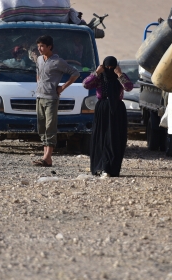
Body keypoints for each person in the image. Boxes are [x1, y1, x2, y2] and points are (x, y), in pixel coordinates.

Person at [82, 56, 133, 177]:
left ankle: (112, 168)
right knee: (101, 137)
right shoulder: (99, 77)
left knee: (114, 138)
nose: (109, 69)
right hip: (102, 109)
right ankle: (99, 166)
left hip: (117, 109)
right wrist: (97, 72)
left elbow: (129, 87)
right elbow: (85, 84)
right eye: (107, 67)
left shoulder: (120, 77)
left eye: (112, 67)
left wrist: (119, 74)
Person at [34, 35, 80, 167]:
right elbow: (38, 73)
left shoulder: (58, 61)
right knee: (41, 127)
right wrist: (39, 83)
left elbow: (75, 73)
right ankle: (45, 157)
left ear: (50, 47)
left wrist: (62, 87)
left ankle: (48, 157)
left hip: (51, 99)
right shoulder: (39, 59)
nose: (40, 49)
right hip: (39, 97)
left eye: (42, 46)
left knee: (50, 127)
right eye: (38, 46)